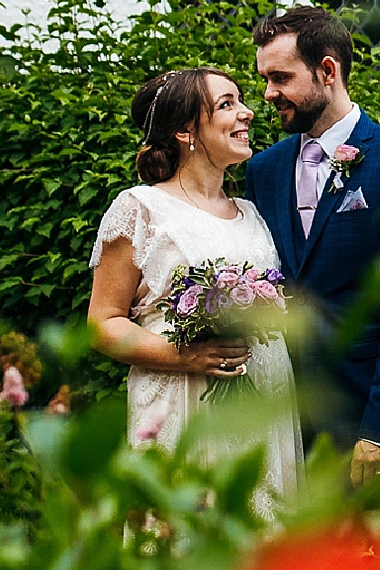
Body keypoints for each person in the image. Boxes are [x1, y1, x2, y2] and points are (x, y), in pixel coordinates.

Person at [246, 6, 380, 488]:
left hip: (372, 426)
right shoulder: (264, 170)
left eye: (280, 77)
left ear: (328, 71)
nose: (268, 94)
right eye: (265, 79)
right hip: (287, 424)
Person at [87, 67, 303, 515]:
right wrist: (184, 356)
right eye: (227, 104)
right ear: (186, 129)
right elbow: (102, 322)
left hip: (263, 402)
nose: (246, 113)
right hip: (183, 403)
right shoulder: (141, 208)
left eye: (241, 101)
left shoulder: (248, 212)